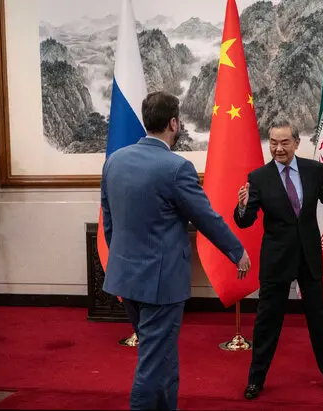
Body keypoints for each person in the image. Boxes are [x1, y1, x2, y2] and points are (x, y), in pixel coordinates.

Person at [101, 91, 251, 410]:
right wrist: (237, 250)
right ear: (174, 123)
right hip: (160, 284)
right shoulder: (176, 167)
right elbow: (206, 218)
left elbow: (109, 221)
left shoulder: (114, 161)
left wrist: (124, 262)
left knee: (161, 355)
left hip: (125, 278)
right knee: (153, 364)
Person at [233, 118, 323, 400]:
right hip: (276, 259)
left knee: (319, 318)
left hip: (308, 255)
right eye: (273, 142)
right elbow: (245, 222)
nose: (278, 148)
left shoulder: (313, 170)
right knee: (267, 322)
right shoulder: (258, 177)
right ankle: (256, 379)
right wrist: (241, 206)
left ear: (296, 143)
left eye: (284, 142)